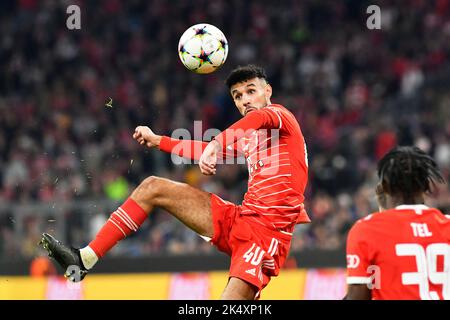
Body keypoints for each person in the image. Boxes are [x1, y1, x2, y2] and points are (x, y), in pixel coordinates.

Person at [39, 64, 310, 300]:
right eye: (238, 96)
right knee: (153, 187)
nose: (245, 100)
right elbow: (200, 148)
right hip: (240, 220)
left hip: (266, 237)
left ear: (268, 92)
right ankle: (85, 258)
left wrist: (215, 144)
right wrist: (159, 141)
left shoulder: (280, 116)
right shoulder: (250, 138)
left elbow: (256, 119)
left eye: (252, 91)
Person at [344, 146, 449, 300]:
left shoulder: (367, 229)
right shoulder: (446, 224)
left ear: (384, 187)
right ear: (426, 186)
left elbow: (359, 296)